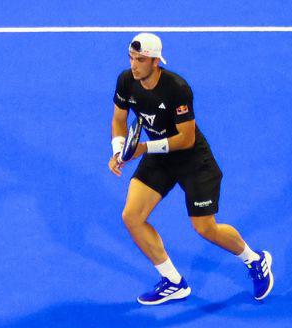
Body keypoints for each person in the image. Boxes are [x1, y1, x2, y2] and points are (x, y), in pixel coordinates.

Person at [109, 32, 275, 306]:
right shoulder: (126, 80)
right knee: (132, 216)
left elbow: (185, 138)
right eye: (131, 58)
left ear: (154, 62)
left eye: (140, 59)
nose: (134, 64)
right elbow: (118, 118)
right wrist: (118, 150)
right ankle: (173, 282)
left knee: (205, 228)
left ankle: (255, 260)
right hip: (161, 157)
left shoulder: (177, 88)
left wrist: (142, 149)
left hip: (193, 161)